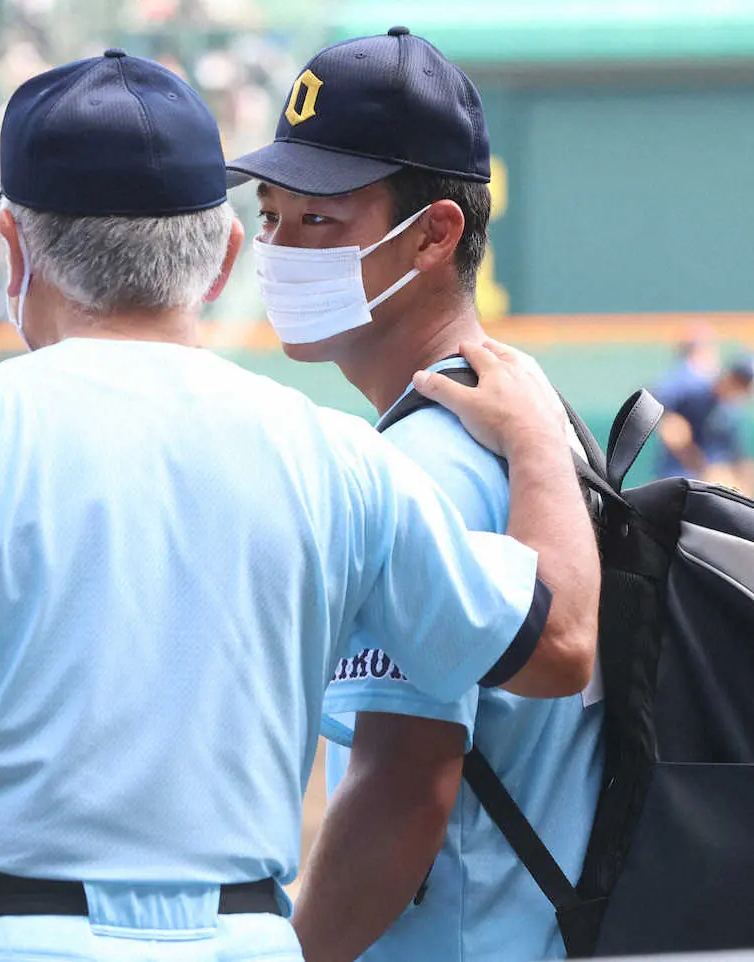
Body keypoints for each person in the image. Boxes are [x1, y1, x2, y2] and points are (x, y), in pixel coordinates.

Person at [0, 52, 597, 962]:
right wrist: (544, 442)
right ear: (226, 255)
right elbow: (555, 646)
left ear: (14, 247)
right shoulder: (337, 456)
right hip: (243, 938)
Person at [228, 27, 604, 962]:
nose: (277, 247)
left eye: (318, 220)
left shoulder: (428, 465)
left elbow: (403, 794)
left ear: (435, 233)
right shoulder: (526, 427)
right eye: (271, 215)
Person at [653, 353, 754, 492]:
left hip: (712, 482)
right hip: (678, 480)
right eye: (738, 380)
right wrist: (668, 418)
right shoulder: (695, 390)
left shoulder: (730, 412)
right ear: (729, 376)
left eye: (744, 385)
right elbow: (651, 398)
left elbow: (736, 456)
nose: (739, 388)